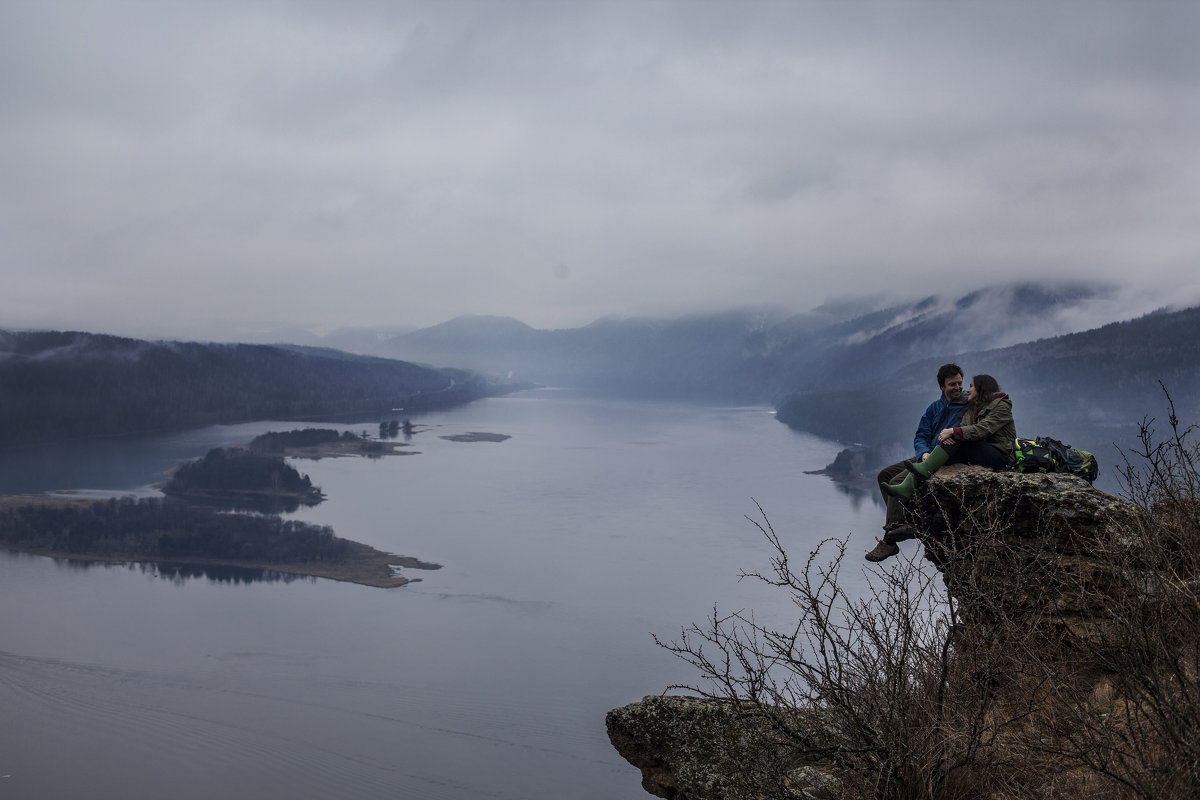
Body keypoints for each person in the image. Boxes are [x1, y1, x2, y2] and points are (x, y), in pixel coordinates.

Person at [865, 364, 967, 563]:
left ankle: (890, 538)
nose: (957, 388)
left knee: (895, 482)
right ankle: (903, 522)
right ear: (942, 387)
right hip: (926, 455)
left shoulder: (965, 408)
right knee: (883, 476)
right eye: (952, 384)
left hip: (944, 459)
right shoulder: (934, 408)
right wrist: (923, 453)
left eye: (960, 383)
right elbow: (921, 435)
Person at [881, 373, 1016, 502]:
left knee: (956, 436)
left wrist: (952, 431)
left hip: (1001, 456)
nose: (967, 390)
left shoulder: (1002, 406)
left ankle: (919, 473)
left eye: (971, 386)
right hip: (981, 452)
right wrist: (950, 436)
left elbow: (983, 429)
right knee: (948, 447)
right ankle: (909, 484)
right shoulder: (972, 407)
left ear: (981, 389)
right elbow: (964, 428)